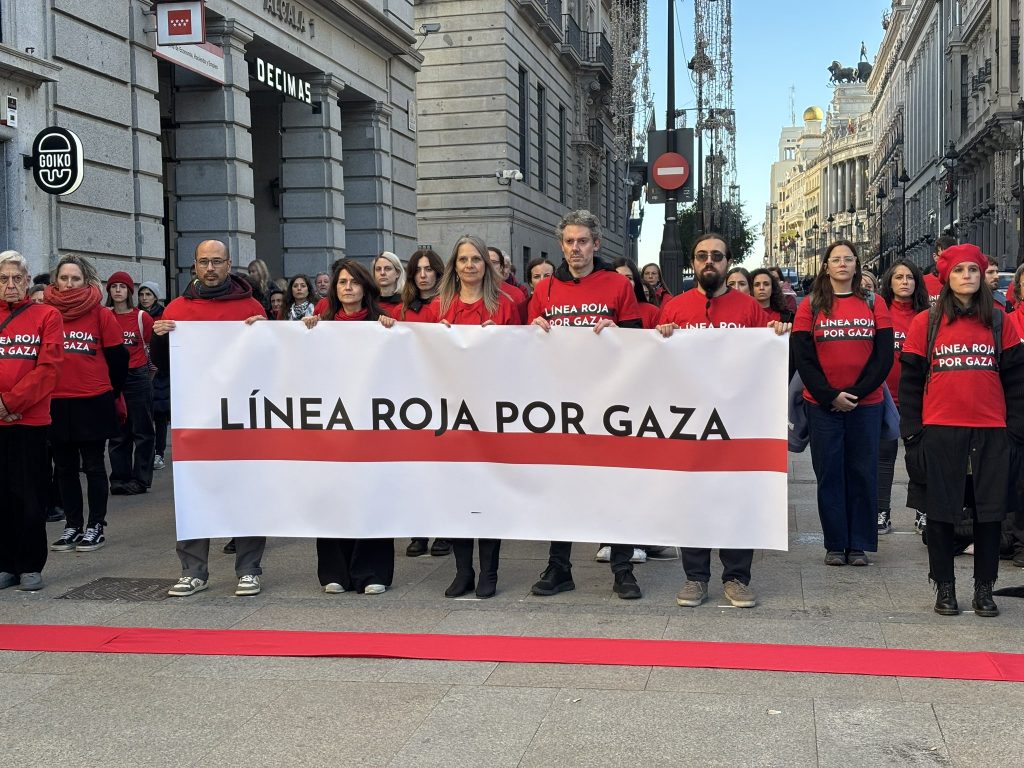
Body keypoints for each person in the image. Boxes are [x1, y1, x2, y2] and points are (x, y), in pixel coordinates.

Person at [657, 233, 790, 609]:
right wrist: (661, 338)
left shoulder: (749, 309)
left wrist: (776, 335)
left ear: (728, 262)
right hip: (689, 424)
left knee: (737, 497)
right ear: (693, 263)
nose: (709, 262)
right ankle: (695, 577)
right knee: (692, 497)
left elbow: (766, 357)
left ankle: (736, 578)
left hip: (738, 422)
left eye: (717, 256)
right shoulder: (675, 308)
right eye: (702, 256)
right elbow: (656, 367)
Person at [899, 243, 1024, 617]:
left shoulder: (1002, 321)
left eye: (972, 269)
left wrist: (1015, 434)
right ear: (946, 277)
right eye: (958, 270)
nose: (966, 276)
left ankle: (984, 589)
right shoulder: (927, 322)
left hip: (991, 433)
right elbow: (909, 383)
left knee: (989, 515)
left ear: (981, 275)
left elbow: (1017, 381)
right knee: (941, 514)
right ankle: (945, 588)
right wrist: (912, 434)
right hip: (940, 432)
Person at [528, 209, 644, 600]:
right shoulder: (543, 291)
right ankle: (559, 566)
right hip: (562, 405)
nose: (575, 249)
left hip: (610, 402)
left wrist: (619, 331)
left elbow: (636, 340)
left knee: (617, 485)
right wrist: (535, 331)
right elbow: (529, 347)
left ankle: (623, 568)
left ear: (596, 243)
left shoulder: (616, 285)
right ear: (561, 246)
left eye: (582, 241)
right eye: (568, 242)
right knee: (561, 485)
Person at [152, 240, 269, 597]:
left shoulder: (251, 306)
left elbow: (269, 361)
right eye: (204, 262)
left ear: (229, 264)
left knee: (246, 490)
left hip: (240, 417)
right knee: (192, 491)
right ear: (195, 266)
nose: (211, 268)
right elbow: (164, 365)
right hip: (195, 418)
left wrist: (264, 331)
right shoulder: (177, 308)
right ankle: (193, 570)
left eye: (217, 261)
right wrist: (158, 338)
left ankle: (249, 568)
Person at [792, 241, 893, 567]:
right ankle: (836, 543)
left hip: (867, 404)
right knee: (830, 474)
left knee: (863, 473)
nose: (842, 264)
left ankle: (859, 544)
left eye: (848, 259)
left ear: (856, 266)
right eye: (836, 259)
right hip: (822, 405)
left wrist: (857, 394)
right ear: (826, 266)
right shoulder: (810, 305)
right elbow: (803, 357)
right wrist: (829, 395)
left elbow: (883, 355)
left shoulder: (874, 303)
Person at [303, 258, 397, 594]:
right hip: (331, 425)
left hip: (372, 424)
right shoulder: (320, 325)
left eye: (353, 282)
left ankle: (372, 572)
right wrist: (305, 330)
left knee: (371, 494)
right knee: (333, 493)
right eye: (342, 282)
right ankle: (334, 571)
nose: (347, 287)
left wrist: (391, 330)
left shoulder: (382, 322)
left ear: (365, 287)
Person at [435, 235, 519, 598]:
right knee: (456, 494)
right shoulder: (439, 306)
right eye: (463, 260)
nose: (469, 265)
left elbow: (523, 352)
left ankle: (490, 573)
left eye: (476, 260)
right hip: (451, 412)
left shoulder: (505, 305)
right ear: (454, 266)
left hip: (491, 414)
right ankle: (462, 571)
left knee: (487, 494)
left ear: (487, 265)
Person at [45, 255, 128, 554]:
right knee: (64, 468)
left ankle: (95, 526)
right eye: (64, 278)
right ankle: (72, 525)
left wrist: (110, 391)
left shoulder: (101, 314)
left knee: (93, 466)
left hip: (93, 400)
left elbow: (120, 360)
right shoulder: (45, 312)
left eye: (75, 278)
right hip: (55, 401)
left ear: (87, 280)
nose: (69, 284)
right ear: (56, 281)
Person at [0, 250, 64, 591]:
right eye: (3, 279)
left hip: (31, 421)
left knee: (29, 495)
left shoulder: (47, 315)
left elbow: (48, 368)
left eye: (17, 279)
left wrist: (10, 402)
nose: (10, 285)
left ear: (27, 282)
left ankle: (29, 565)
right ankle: (5, 563)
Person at [397, 248, 452, 558]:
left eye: (428, 269)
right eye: (417, 269)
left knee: (441, 465)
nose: (422, 274)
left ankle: (443, 529)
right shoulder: (402, 310)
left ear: (438, 273)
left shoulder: (447, 305)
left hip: (442, 392)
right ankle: (418, 530)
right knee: (416, 465)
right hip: (411, 394)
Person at [876, 260, 928, 536]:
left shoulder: (927, 315)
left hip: (918, 400)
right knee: (883, 458)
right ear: (890, 282)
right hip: (885, 398)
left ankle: (924, 512)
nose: (905, 281)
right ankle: (881, 511)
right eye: (899, 277)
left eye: (910, 277)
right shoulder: (880, 313)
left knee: (921, 458)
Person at [104, 271, 156, 496]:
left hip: (137, 376)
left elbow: (155, 345)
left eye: (122, 287)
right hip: (113, 378)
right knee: (117, 432)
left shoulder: (141, 317)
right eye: (113, 286)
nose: (117, 290)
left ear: (129, 292)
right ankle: (119, 478)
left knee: (142, 431)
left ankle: (141, 479)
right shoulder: (105, 315)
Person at [138, 282, 169, 471]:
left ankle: (159, 453)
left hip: (160, 371)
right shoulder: (137, 315)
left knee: (160, 413)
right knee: (145, 414)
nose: (144, 297)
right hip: (142, 369)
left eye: (148, 294)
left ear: (155, 297)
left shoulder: (163, 315)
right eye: (141, 294)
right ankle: (148, 452)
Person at [611, 257, 660, 329]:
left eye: (629, 278)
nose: (624, 282)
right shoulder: (600, 309)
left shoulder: (652, 312)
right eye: (618, 277)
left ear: (636, 282)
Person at [487, 246, 528, 321]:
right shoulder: (467, 294)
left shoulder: (516, 294)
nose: (489, 266)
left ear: (501, 267)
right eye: (485, 262)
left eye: (494, 262)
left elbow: (524, 327)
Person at [922, 235, 957, 305]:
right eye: (944, 257)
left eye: (952, 257)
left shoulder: (963, 281)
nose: (948, 261)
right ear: (935, 257)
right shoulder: (922, 282)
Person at [372, 251, 405, 315]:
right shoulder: (368, 301)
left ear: (398, 273)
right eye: (378, 269)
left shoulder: (407, 302)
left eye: (387, 269)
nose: (382, 273)